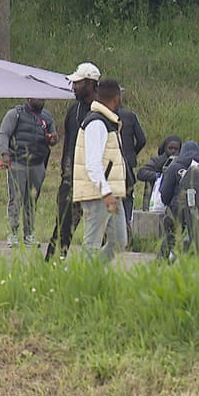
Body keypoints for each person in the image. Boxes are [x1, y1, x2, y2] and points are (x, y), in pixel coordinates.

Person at [45, 62, 100, 261]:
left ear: (91, 84)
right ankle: (51, 267)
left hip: (96, 181)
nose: (73, 87)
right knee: (63, 227)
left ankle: (95, 274)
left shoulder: (102, 111)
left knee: (100, 232)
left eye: (78, 83)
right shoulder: (73, 110)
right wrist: (65, 173)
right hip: (71, 180)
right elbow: (68, 144)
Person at [73, 79, 129, 261]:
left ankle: (93, 274)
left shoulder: (108, 122)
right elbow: (93, 164)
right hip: (98, 194)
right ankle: (78, 281)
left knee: (119, 241)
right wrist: (105, 192)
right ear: (116, 98)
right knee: (92, 245)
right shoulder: (97, 123)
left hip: (111, 192)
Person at [0, 97, 58, 247]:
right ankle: (12, 234)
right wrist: (5, 154)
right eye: (38, 97)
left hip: (37, 164)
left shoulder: (47, 117)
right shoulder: (15, 114)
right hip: (18, 162)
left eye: (43, 98)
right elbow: (4, 134)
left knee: (31, 201)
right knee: (16, 199)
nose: (41, 100)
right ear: (29, 97)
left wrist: (53, 139)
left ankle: (29, 234)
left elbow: (54, 136)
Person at [157, 140, 199, 261]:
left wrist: (169, 204)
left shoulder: (174, 166)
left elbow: (165, 192)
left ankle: (164, 258)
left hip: (179, 209)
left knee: (170, 229)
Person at [117, 103, 147, 228]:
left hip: (107, 163)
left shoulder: (98, 116)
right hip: (127, 162)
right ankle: (127, 223)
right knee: (127, 196)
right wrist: (132, 153)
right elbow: (141, 140)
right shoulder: (130, 115)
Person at [138, 135, 182, 206]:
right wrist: (158, 176)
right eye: (170, 148)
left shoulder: (181, 163)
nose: (173, 151)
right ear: (165, 148)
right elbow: (141, 173)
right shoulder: (158, 161)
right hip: (154, 199)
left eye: (176, 149)